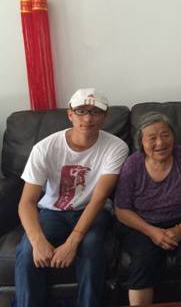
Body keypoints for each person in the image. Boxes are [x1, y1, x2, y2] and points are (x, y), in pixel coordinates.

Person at [15, 88, 129, 307]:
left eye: (95, 112)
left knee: (91, 246)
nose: (88, 118)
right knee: (28, 251)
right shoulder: (45, 148)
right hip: (53, 212)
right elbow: (26, 202)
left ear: (105, 116)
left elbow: (99, 198)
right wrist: (38, 241)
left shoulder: (116, 147)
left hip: (94, 211)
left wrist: (72, 242)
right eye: (81, 111)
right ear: (70, 114)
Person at [114, 112, 181, 306]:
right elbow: (122, 210)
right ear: (141, 142)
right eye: (152, 138)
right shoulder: (133, 165)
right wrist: (152, 232)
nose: (160, 142)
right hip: (143, 224)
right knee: (143, 260)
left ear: (173, 136)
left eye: (165, 135)